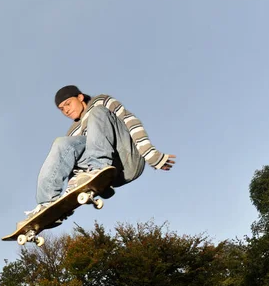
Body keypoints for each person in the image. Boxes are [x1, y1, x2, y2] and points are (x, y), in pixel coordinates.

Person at [20, 85, 176, 225]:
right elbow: (72, 165)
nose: (66, 110)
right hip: (112, 175)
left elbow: (130, 121)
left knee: (97, 112)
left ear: (80, 97)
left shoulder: (101, 101)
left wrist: (150, 154)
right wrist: (67, 202)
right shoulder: (73, 131)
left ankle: (98, 166)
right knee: (62, 143)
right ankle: (46, 201)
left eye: (68, 104)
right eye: (61, 109)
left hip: (128, 159)